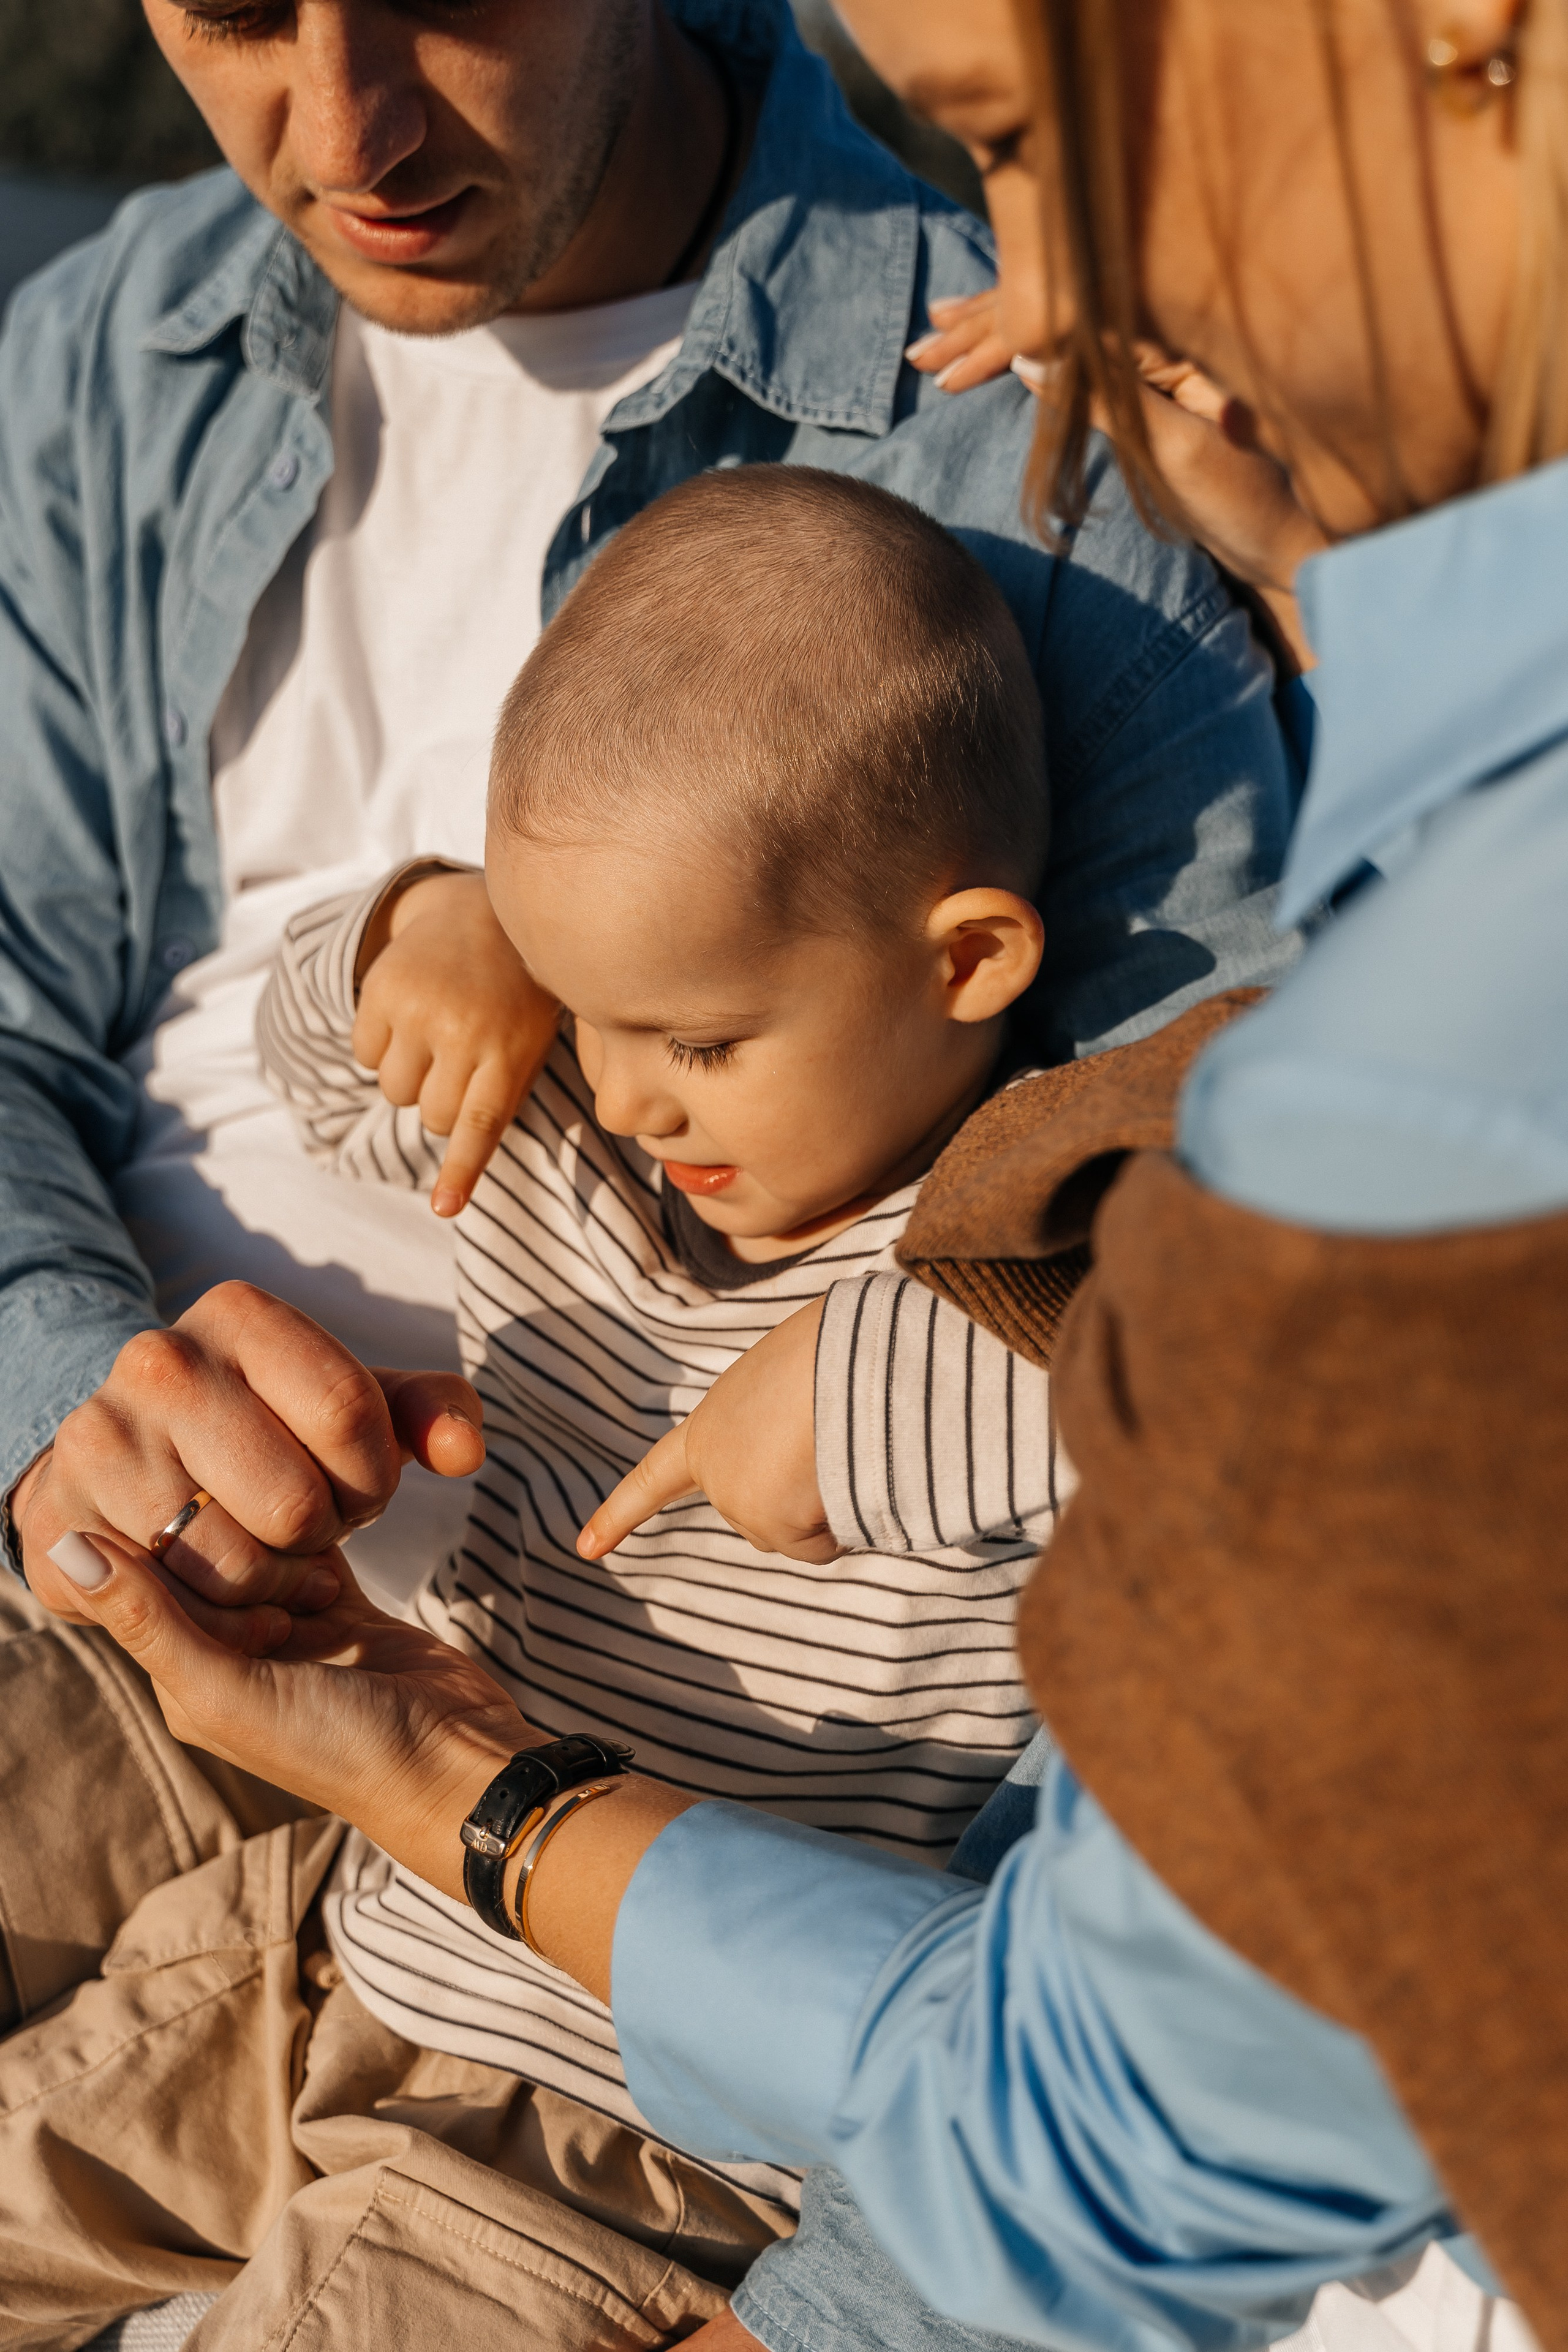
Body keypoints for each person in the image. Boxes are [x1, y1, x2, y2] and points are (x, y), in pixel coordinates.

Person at [39, 0, 1568, 2349]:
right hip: (340, 1824)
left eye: (1023, 139)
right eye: (238, 11)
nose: (1029, 297)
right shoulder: (117, 355)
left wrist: (825, 2288)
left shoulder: (1370, 1038)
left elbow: (1145, 2084)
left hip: (604, 2025)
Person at [2, 0, 1297, 1637]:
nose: (346, 136)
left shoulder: (1040, 458)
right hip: (89, 1598)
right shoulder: (112, 347)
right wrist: (57, 1413)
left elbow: (1228, 1215)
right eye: (236, 11)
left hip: (615, 1744)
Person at [254, 464, 1060, 2137]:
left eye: (697, 1041)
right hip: (358, 1923)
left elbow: (1191, 1376)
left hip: (612, 2108)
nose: (627, 1098)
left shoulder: (1013, 1241)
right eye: (580, 1006)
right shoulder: (577, 1117)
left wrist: (851, 1387)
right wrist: (424, 933)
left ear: (966, 962)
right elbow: (319, 1080)